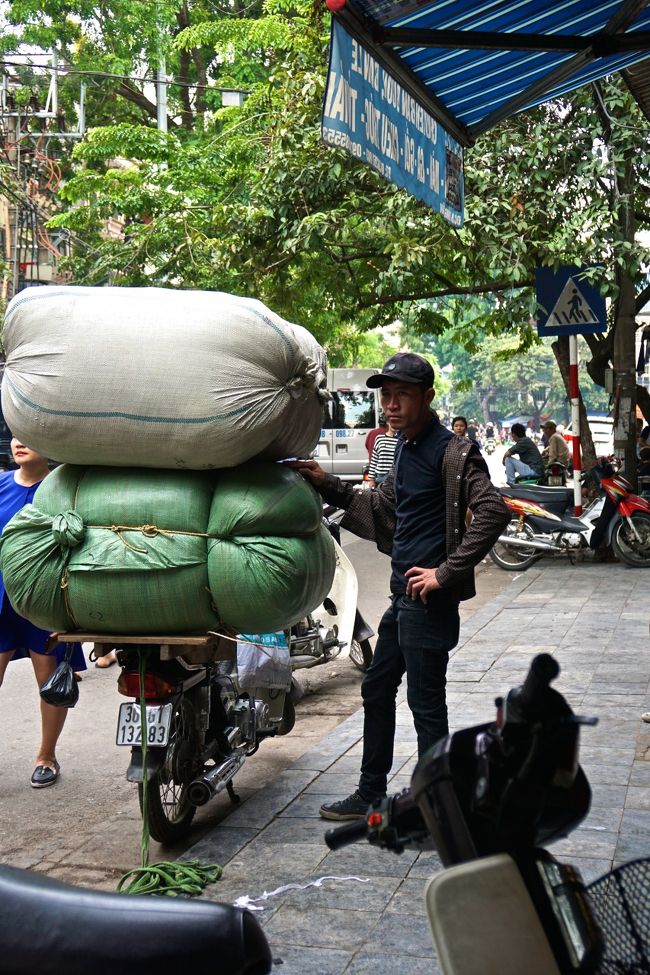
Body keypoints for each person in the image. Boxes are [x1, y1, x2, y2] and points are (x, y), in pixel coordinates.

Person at [288, 353, 510, 821]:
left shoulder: (454, 453)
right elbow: (381, 509)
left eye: (402, 395)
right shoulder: (403, 448)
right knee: (376, 688)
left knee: (426, 706)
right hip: (400, 600)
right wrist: (326, 482)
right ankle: (371, 792)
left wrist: (444, 574)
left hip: (427, 605)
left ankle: (441, 809)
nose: (390, 404)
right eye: (385, 395)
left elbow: (493, 511)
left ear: (428, 397)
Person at [0, 437, 86, 788]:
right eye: (15, 436)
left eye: (30, 437)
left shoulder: (61, 489)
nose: (19, 443)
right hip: (2, 601)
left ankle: (46, 756)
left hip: (45, 600)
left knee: (48, 682)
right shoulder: (1, 485)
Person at [367, 420, 398, 488]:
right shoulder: (379, 438)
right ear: (387, 422)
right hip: (380, 477)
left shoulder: (400, 440)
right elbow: (374, 459)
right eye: (392, 422)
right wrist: (371, 480)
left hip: (395, 477)